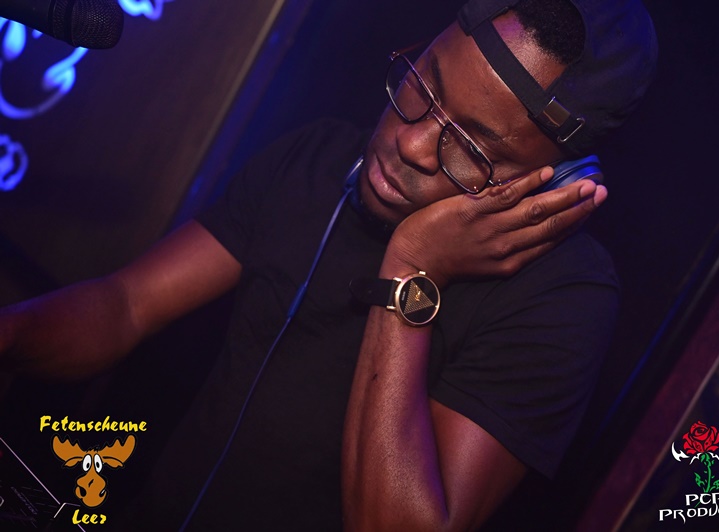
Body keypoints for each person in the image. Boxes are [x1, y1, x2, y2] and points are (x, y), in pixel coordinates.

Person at [0, 0, 656, 529]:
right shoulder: (317, 157)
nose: (410, 142)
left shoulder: (564, 299)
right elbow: (126, 306)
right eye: (422, 87)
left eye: (468, 148)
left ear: (547, 185)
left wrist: (411, 270)